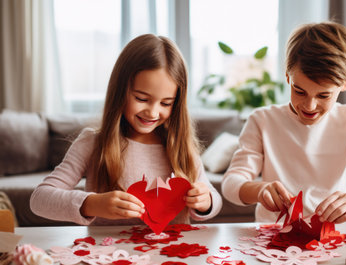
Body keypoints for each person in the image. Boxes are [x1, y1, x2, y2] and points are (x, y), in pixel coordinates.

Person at [31, 34, 222, 225]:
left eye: (166, 103)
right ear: (120, 90)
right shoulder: (93, 142)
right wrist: (91, 203)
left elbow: (214, 198)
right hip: (110, 254)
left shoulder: (180, 146)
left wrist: (206, 202)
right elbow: (39, 199)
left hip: (173, 253)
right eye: (141, 99)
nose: (152, 112)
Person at [222, 22, 346, 224]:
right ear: (288, 76)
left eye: (323, 95)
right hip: (273, 237)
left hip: (333, 237)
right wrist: (260, 189)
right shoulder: (262, 120)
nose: (309, 105)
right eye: (300, 91)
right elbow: (231, 184)